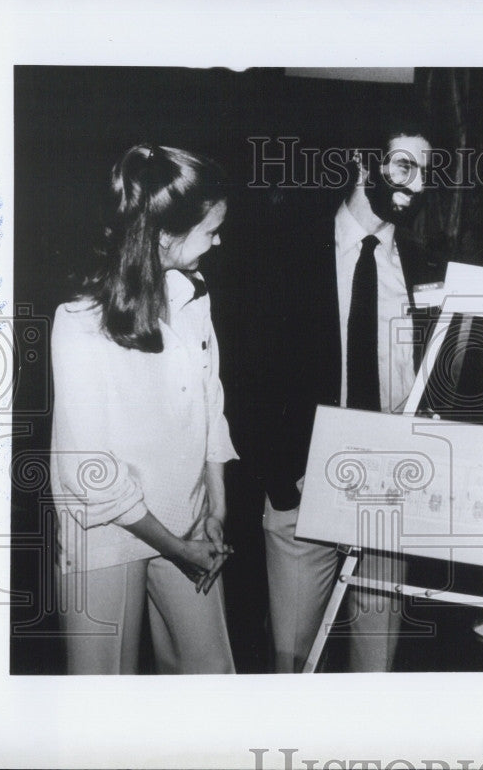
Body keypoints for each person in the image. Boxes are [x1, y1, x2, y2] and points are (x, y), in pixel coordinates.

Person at [256, 114, 443, 672]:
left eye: (424, 172)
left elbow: (440, 379)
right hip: (301, 485)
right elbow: (250, 372)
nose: (414, 182)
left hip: (388, 493)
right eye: (402, 164)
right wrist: (282, 478)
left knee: (375, 669)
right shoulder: (285, 249)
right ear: (365, 164)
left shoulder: (427, 266)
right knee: (292, 661)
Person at [51, 144, 238, 674]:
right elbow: (90, 471)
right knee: (103, 691)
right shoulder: (80, 320)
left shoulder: (194, 298)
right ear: (163, 237)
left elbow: (211, 407)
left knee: (212, 675)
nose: (218, 240)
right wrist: (175, 547)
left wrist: (214, 512)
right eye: (210, 229)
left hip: (188, 520)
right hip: (106, 532)